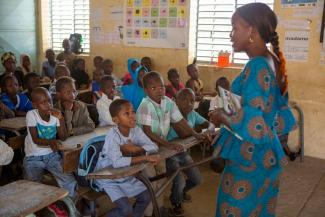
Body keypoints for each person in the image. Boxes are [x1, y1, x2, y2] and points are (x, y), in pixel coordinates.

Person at [209, 3, 296, 217]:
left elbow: (253, 121)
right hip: (265, 155)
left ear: (252, 31)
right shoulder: (273, 61)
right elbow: (276, 111)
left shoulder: (257, 66)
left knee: (235, 209)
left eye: (235, 27)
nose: (231, 35)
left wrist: (221, 116)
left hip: (249, 159)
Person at [94, 99, 160, 217]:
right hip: (108, 177)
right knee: (126, 210)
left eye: (133, 112)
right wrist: (144, 158)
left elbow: (153, 146)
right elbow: (117, 162)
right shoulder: (112, 136)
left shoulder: (135, 130)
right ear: (115, 120)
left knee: (146, 196)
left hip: (125, 174)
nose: (132, 116)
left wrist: (136, 149)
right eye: (127, 114)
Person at [23, 87, 77, 197]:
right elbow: (36, 139)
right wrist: (52, 142)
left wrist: (61, 118)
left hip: (52, 156)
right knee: (32, 185)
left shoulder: (55, 115)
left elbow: (63, 137)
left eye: (49, 100)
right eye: (43, 102)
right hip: (33, 157)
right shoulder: (32, 115)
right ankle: (35, 210)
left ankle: (72, 208)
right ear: (35, 105)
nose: (48, 105)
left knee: (69, 181)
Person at [166, 88, 210, 216]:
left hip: (183, 153)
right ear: (176, 100)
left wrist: (207, 130)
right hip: (170, 154)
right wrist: (197, 132)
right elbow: (183, 134)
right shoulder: (172, 115)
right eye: (184, 99)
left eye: (192, 100)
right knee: (180, 181)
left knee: (197, 180)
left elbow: (209, 124)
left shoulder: (193, 114)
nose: (189, 103)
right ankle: (176, 202)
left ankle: (178, 194)